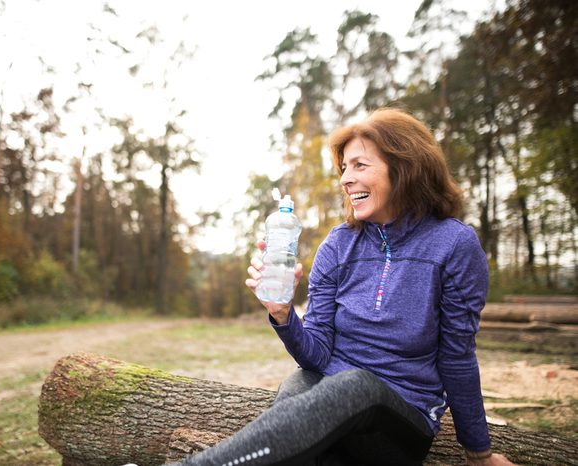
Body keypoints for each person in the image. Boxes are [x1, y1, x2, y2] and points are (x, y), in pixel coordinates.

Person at [175, 108, 515, 466]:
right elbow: (316, 355)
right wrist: (282, 313)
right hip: (331, 408)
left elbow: (457, 356)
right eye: (344, 168)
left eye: (360, 165)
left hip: (400, 421)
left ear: (405, 167)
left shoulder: (454, 245)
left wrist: (479, 453)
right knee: (299, 383)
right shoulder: (338, 245)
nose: (345, 179)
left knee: (355, 385)